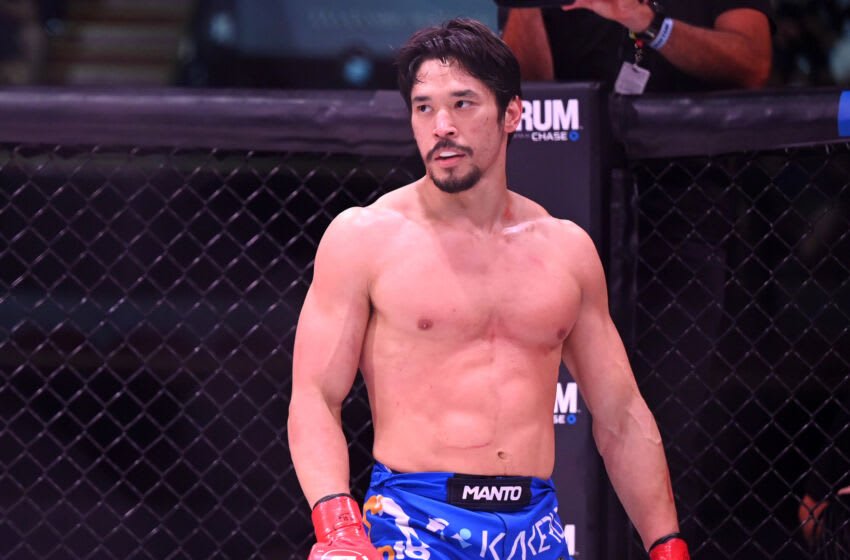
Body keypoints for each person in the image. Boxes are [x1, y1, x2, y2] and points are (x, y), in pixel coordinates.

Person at [288, 18, 689, 560]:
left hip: (535, 528)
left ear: (512, 114)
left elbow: (621, 414)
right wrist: (337, 526)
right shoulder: (365, 238)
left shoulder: (564, 250)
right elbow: (315, 395)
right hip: (411, 523)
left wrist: (668, 546)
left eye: (463, 104)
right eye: (424, 107)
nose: (441, 126)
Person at [501, 0, 772, 92]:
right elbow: (530, 103)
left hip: (696, 176)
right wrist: (527, 6)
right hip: (575, 174)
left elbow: (752, 66)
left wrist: (648, 24)